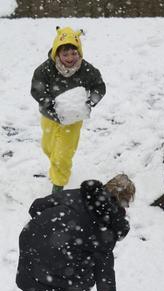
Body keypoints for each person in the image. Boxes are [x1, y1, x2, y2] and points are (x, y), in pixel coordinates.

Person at [16, 174, 135, 291]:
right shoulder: (107, 225)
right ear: (124, 202)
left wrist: (53, 228)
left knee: (69, 266)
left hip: (32, 240)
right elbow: (103, 268)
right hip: (54, 252)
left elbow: (37, 206)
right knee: (82, 278)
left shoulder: (79, 194)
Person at [31, 27, 107, 194]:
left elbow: (99, 86)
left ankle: (58, 186)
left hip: (73, 119)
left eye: (74, 53)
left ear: (79, 52)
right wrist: (49, 103)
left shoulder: (86, 70)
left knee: (62, 155)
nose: (70, 58)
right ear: (57, 54)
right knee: (47, 148)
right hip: (49, 117)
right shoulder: (45, 70)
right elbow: (37, 89)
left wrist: (90, 101)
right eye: (65, 55)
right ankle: (57, 165)